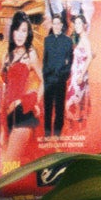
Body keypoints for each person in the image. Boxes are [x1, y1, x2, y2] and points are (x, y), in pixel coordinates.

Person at [0, 12, 43, 165]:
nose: (20, 35)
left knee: (8, 162)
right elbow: (3, 86)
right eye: (17, 30)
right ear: (12, 32)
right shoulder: (7, 56)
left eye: (24, 30)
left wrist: (34, 101)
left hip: (23, 111)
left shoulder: (30, 54)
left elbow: (44, 80)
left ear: (28, 33)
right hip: (7, 114)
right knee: (6, 162)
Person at [40, 12, 73, 140]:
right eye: (54, 23)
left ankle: (57, 134)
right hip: (48, 79)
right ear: (52, 25)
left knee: (59, 108)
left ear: (62, 25)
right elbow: (45, 59)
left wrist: (64, 76)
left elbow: (70, 60)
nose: (56, 26)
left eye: (58, 24)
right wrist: (45, 75)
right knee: (47, 107)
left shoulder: (67, 41)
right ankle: (48, 134)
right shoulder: (47, 40)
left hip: (61, 80)